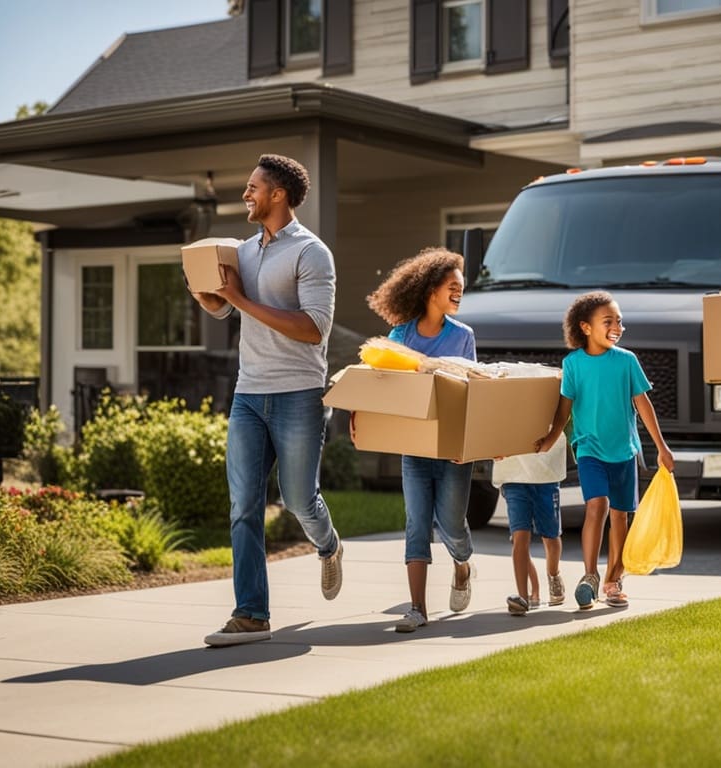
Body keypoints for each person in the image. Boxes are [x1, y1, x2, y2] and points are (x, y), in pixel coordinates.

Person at [191, 154, 342, 647]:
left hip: (298, 393)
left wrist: (238, 301)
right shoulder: (244, 250)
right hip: (249, 394)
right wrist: (211, 296)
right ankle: (251, 614)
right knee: (244, 506)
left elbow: (312, 328)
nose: (246, 194)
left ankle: (328, 544)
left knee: (298, 498)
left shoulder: (312, 253)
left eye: (253, 187)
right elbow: (225, 309)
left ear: (278, 194)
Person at [537, 291, 674, 610]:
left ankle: (614, 579)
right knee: (596, 505)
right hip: (589, 448)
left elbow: (643, 404)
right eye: (608, 321)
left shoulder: (627, 361)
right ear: (585, 327)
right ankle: (590, 576)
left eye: (620, 321)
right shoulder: (573, 364)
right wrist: (551, 437)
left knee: (621, 516)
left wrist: (662, 447)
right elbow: (564, 410)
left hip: (624, 451)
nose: (617, 326)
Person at [365, 247, 476, 633]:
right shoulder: (400, 336)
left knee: (451, 525)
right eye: (452, 287)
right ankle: (417, 608)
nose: (460, 293)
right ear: (431, 291)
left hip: (452, 449)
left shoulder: (463, 336)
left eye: (461, 288)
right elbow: (382, 387)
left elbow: (471, 392)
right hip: (414, 447)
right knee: (416, 525)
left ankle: (462, 564)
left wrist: (470, 443)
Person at [492, 433, 567, 615]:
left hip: (545, 473)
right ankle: (523, 598)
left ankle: (553, 574)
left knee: (551, 537)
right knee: (519, 538)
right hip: (513, 475)